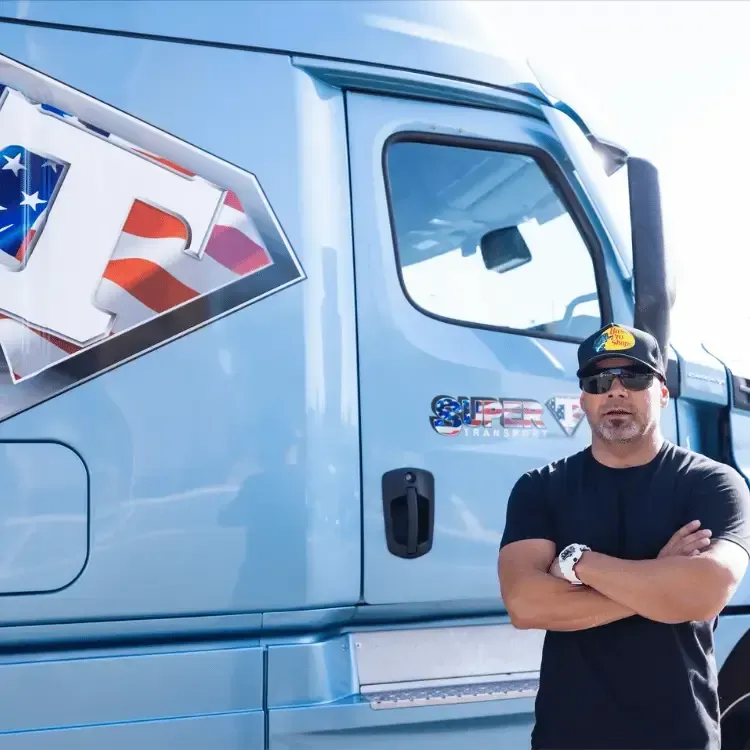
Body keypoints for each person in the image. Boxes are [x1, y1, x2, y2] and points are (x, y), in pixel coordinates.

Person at [497, 322, 750, 750]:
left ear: (663, 393)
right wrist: (661, 581)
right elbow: (524, 604)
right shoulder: (540, 488)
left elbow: (705, 591)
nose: (615, 391)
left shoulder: (712, 484)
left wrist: (577, 563)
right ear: (584, 401)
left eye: (633, 377)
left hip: (680, 737)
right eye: (599, 381)